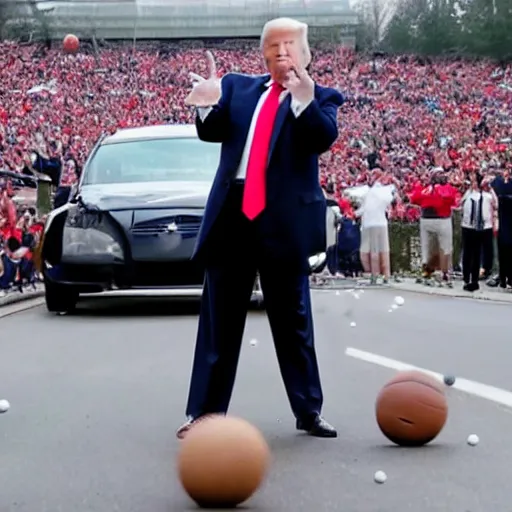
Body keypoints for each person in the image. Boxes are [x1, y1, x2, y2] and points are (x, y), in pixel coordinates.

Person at [177, 17, 344, 439]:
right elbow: (211, 130)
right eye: (273, 47)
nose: (281, 53)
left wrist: (303, 102)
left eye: (290, 46)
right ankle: (204, 413)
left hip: (282, 220)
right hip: (232, 214)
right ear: (263, 53)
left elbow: (321, 138)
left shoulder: (322, 97)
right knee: (220, 321)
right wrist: (204, 103)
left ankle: (309, 410)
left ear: (306, 54)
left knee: (293, 320)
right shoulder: (237, 88)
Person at [355, 172, 395, 285]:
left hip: (372, 224)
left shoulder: (370, 191)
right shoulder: (383, 191)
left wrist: (353, 213)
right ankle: (386, 275)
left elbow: (364, 208)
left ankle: (375, 275)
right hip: (381, 223)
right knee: (384, 250)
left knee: (374, 252)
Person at [460, 172, 497, 292]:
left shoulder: (487, 196)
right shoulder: (469, 194)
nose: (474, 184)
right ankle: (466, 277)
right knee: (467, 253)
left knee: (476, 254)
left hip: (482, 227)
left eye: (476, 181)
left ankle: (475, 279)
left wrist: (489, 188)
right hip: (468, 226)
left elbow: (495, 203)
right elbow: (461, 203)